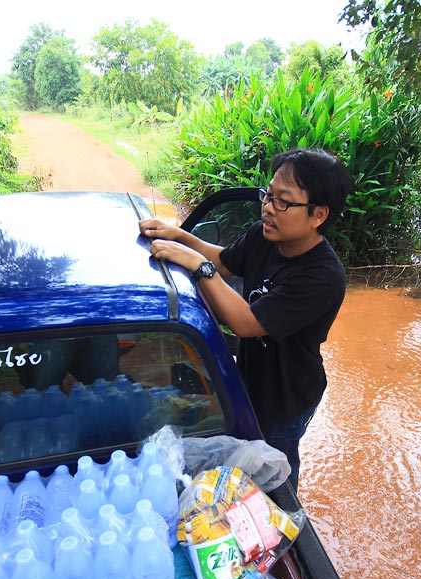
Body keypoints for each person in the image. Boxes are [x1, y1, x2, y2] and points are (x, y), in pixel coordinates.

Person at [139, 148, 351, 490]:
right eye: (268, 195)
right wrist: (179, 236)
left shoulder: (321, 276)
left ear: (318, 215)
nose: (268, 207)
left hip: (287, 395)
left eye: (283, 201)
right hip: (252, 378)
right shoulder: (265, 236)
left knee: (275, 470)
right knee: (246, 457)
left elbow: (245, 322)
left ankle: (286, 529)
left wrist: (197, 266)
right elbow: (223, 261)